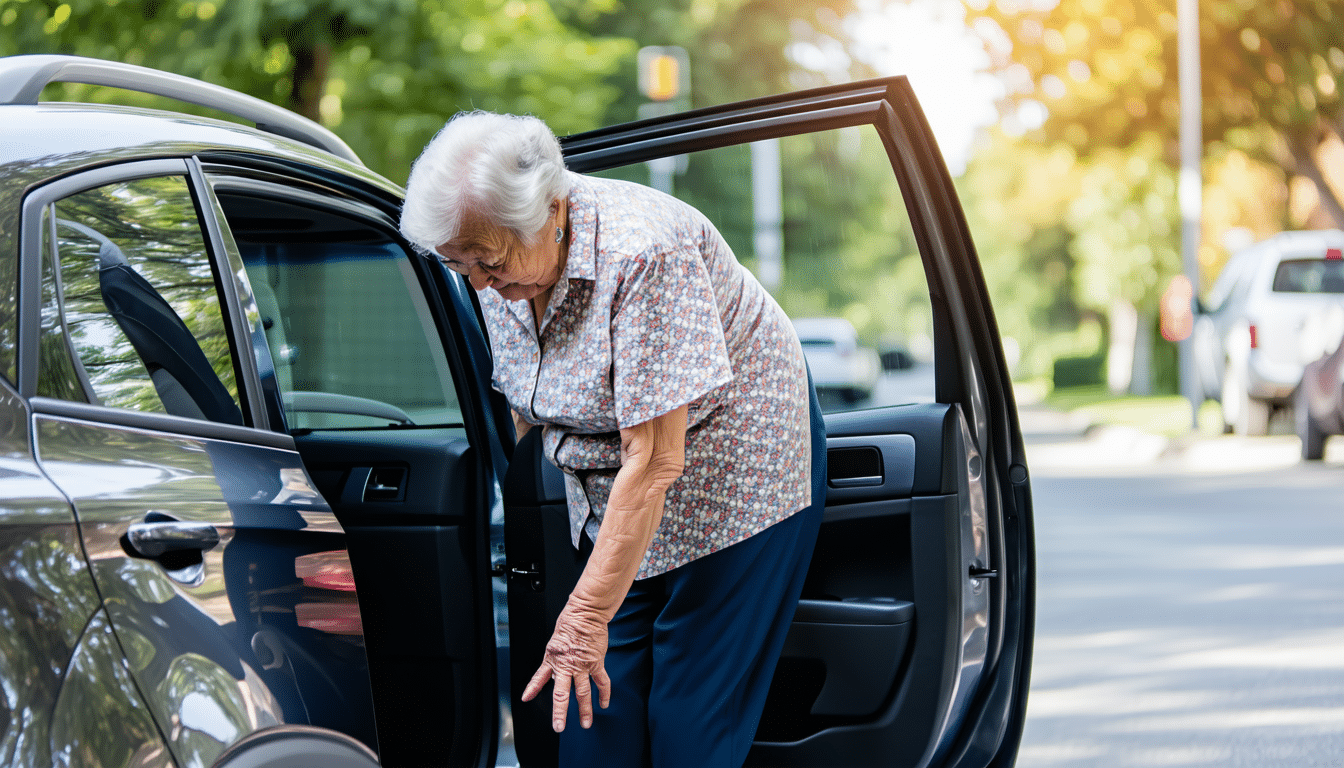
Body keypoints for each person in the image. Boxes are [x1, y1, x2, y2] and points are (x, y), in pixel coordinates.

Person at [400, 111, 825, 768]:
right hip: (619, 488)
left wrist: (583, 618)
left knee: (689, 725)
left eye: (489, 262)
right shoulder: (498, 260)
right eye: (461, 265)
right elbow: (529, 403)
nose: (479, 284)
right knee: (594, 712)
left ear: (551, 210)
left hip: (734, 472)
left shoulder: (643, 253)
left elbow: (653, 460)